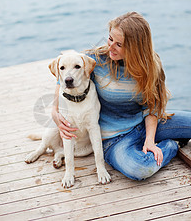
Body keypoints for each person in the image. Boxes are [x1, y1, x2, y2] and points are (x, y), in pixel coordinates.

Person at [52, 12, 191, 181]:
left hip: (145, 124)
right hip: (114, 139)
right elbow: (66, 78)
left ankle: (153, 143)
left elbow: (152, 107)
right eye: (110, 39)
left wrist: (149, 140)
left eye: (119, 44)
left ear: (136, 48)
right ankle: (172, 145)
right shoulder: (96, 60)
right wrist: (55, 111)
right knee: (140, 169)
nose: (110, 47)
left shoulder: (152, 65)